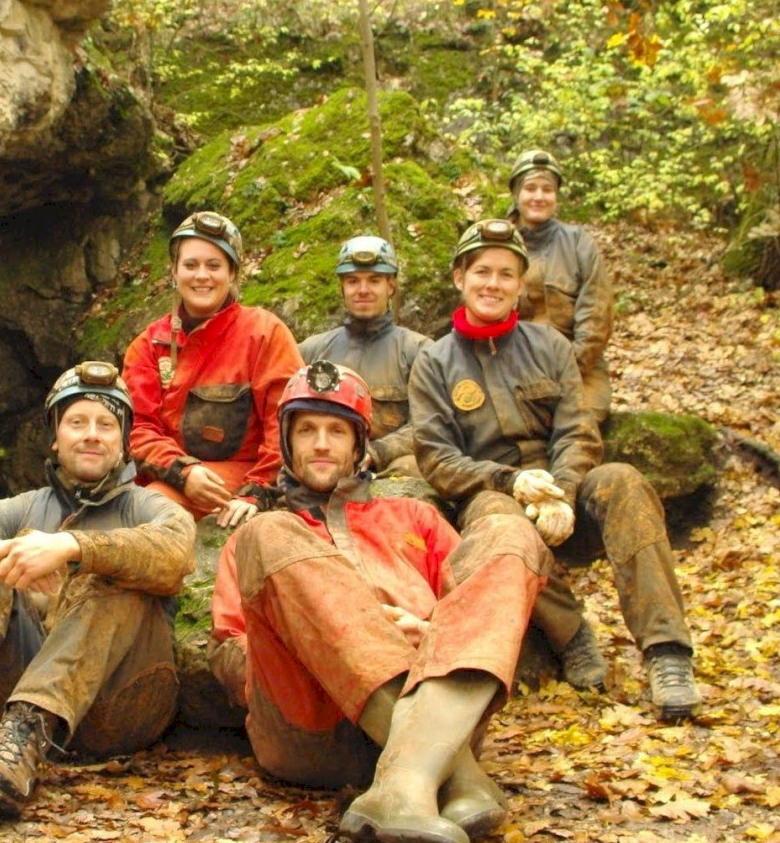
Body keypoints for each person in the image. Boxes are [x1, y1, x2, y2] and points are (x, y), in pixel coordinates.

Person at [210, 361, 549, 843]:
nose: (321, 444)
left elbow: (474, 613)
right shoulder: (262, 537)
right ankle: (458, 779)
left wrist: (429, 633)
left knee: (510, 532)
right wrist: (330, 643)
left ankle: (403, 785)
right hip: (314, 730)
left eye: (336, 431)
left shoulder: (416, 518)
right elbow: (229, 652)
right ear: (286, 443)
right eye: (306, 430)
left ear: (359, 444)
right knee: (266, 530)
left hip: (438, 709)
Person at [410, 218, 700, 722]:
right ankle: (572, 634)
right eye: (482, 272)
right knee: (501, 521)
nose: (493, 284)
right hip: (492, 496)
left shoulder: (550, 347)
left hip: (562, 492)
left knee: (624, 482)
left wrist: (560, 493)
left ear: (521, 284)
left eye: (506, 274)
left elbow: (578, 431)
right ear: (459, 278)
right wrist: (509, 482)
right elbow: (437, 457)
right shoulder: (434, 363)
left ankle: (668, 652)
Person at [0, 362, 196, 817]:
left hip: (123, 709)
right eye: (77, 422)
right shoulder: (21, 508)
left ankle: (29, 730)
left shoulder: (149, 507)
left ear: (123, 442)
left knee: (114, 571)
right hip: (18, 707)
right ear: (55, 437)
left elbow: (176, 553)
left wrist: (71, 547)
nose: (91, 435)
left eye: (105, 425)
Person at [123, 211, 303, 528]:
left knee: (151, 509)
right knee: (133, 509)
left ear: (232, 273)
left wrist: (258, 491)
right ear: (174, 272)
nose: (202, 276)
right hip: (170, 478)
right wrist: (182, 471)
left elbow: (288, 420)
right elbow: (137, 427)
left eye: (214, 266)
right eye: (191, 265)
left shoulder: (264, 333)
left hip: (244, 475)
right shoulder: (149, 345)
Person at [298, 235, 431, 475]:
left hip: (390, 472)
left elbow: (428, 425)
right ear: (342, 287)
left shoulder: (420, 351)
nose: (363, 290)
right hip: (324, 469)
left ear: (391, 286)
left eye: (374, 280)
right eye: (353, 281)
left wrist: (376, 452)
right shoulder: (311, 351)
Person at [506, 150, 613, 426]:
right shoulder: (499, 242)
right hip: (509, 367)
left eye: (547, 189)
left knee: (577, 427)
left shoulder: (579, 243)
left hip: (578, 371)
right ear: (516, 194)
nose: (539, 196)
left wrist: (567, 370)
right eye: (530, 188)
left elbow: (596, 317)